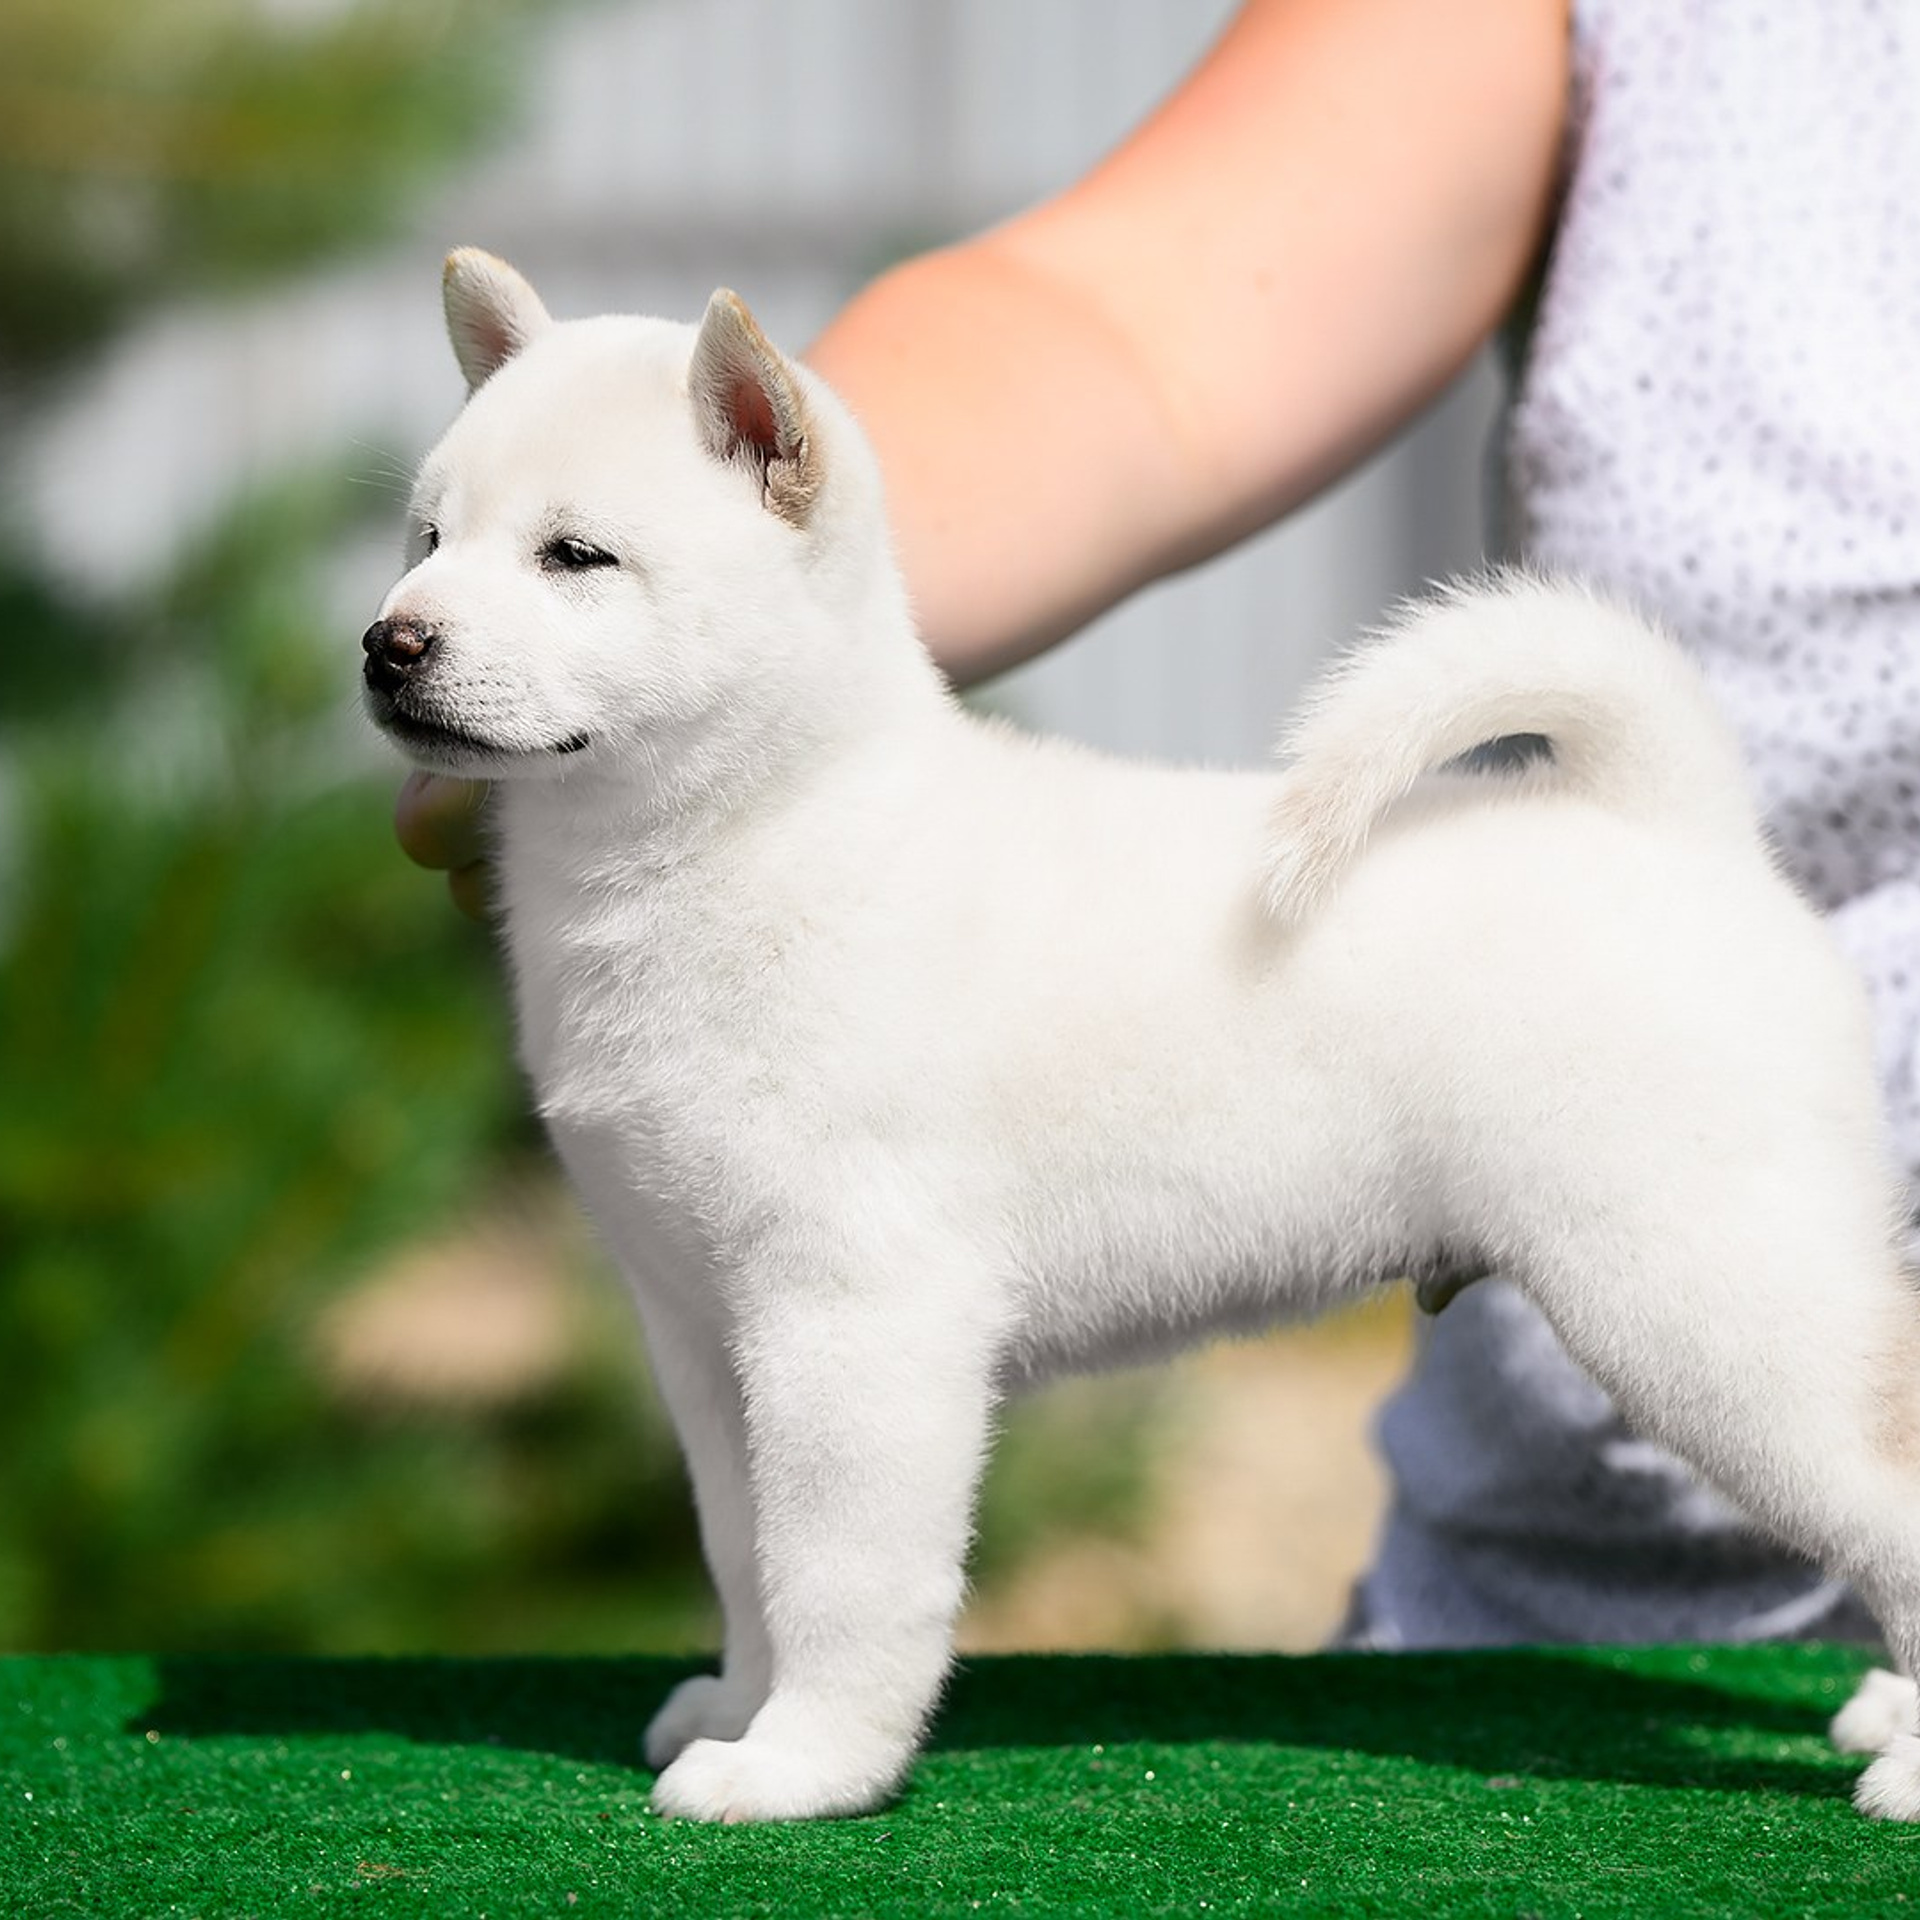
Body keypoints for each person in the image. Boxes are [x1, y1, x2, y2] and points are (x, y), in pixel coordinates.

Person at [396, 0, 1920, 1648]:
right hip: (1542, 1592)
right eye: (434, 533)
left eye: (569, 559)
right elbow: (1128, 335)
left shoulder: (1598, 920)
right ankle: (776, 1668)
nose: (414, 608)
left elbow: (865, 1326)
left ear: (776, 473)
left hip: (1593, 974)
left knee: (1771, 1372)